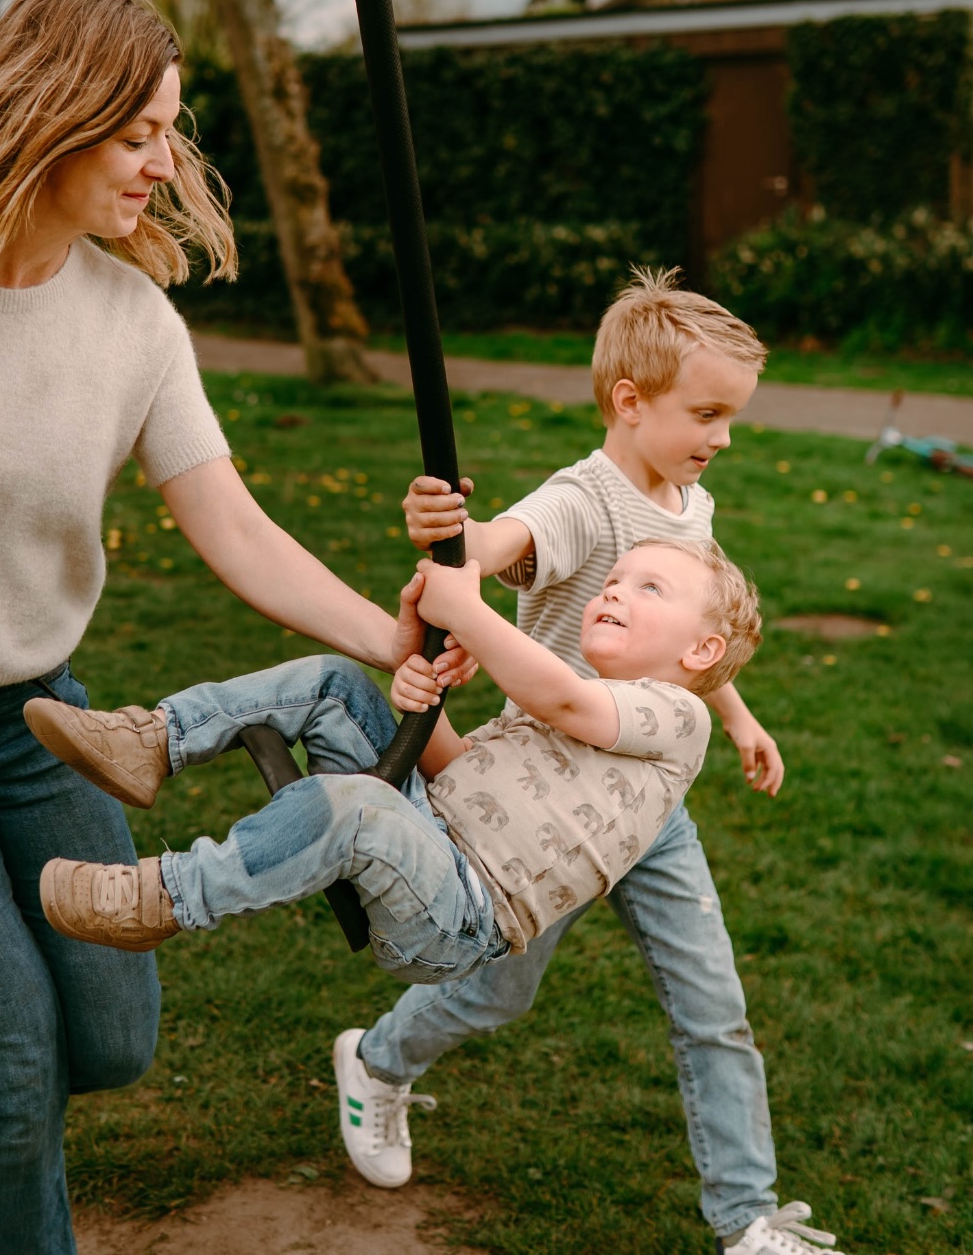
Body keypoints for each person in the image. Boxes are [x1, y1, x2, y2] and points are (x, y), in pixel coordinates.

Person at [0, 0, 465, 1255]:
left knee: (111, 1040)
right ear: (59, 112)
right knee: (19, 1069)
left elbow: (238, 528)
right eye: (140, 131)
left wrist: (397, 635)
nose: (167, 162)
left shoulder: (131, 326)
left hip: (40, 723)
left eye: (174, 129)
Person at [328, 269, 848, 1255]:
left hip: (648, 803)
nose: (723, 436)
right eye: (708, 413)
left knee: (713, 1002)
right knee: (498, 989)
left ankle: (747, 1220)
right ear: (629, 402)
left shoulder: (689, 503)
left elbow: (691, 632)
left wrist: (735, 714)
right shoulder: (581, 502)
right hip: (548, 806)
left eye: (730, 416)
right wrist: (461, 538)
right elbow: (504, 542)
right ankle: (379, 1060)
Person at [25, 539, 757, 998]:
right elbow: (457, 766)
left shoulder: (678, 716)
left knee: (357, 807)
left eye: (648, 588)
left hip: (458, 916)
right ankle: (153, 740)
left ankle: (162, 899)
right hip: (429, 828)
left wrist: (470, 614)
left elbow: (559, 697)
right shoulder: (572, 697)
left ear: (700, 653)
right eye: (615, 580)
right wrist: (420, 694)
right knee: (338, 682)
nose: (614, 591)